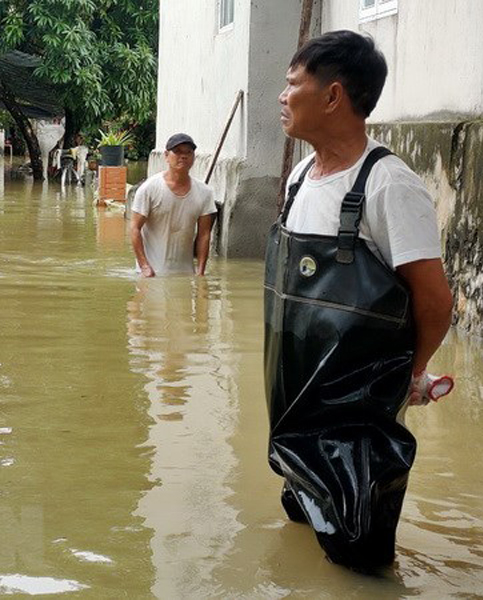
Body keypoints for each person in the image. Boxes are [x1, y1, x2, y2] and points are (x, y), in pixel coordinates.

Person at [264, 30, 453, 570]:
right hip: (294, 419)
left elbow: (435, 302)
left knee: (360, 562)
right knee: (301, 534)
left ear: (332, 96)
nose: (282, 96)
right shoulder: (300, 177)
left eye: (292, 84)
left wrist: (408, 375)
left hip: (355, 431)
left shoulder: (389, 186)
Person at [130, 133, 217, 277]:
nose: (183, 156)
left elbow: (204, 235)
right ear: (166, 155)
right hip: (151, 274)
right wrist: (144, 266)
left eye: (188, 152)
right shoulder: (149, 188)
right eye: (177, 152)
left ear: (193, 157)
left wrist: (200, 273)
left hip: (185, 273)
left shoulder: (205, 193)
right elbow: (134, 228)